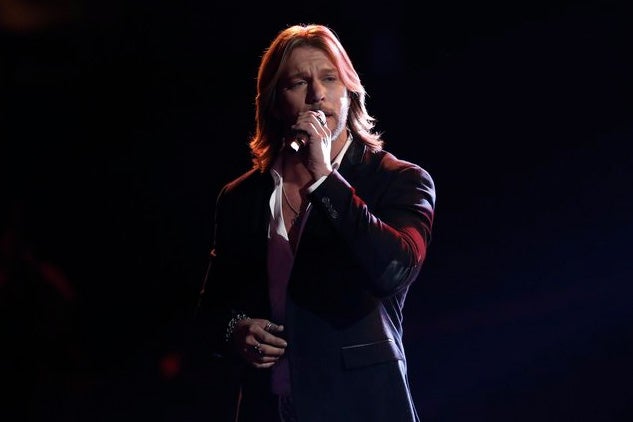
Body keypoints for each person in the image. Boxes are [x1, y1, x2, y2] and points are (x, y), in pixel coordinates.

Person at [194, 23, 436, 422]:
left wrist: (325, 179)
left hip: (362, 407)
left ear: (350, 91)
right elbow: (211, 312)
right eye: (298, 83)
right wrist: (237, 330)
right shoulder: (242, 197)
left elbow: (393, 269)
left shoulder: (399, 180)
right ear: (275, 102)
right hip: (270, 407)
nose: (317, 94)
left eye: (330, 78)